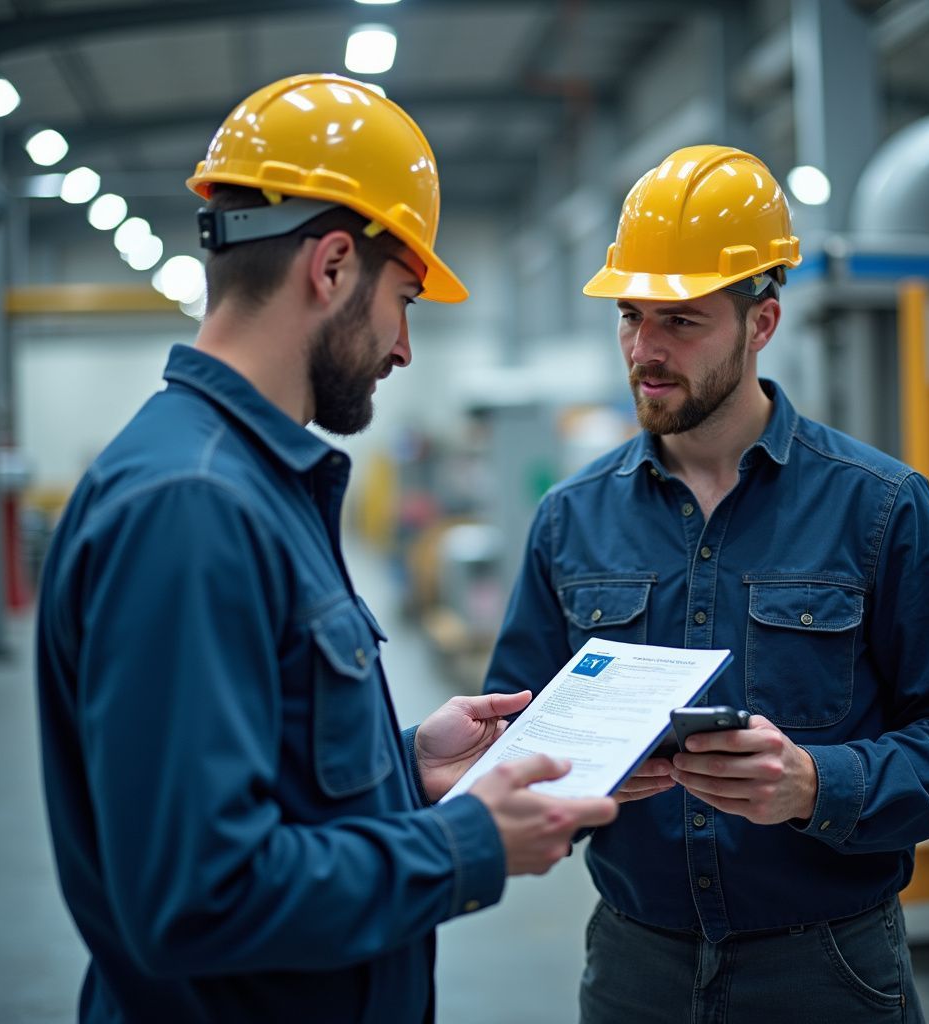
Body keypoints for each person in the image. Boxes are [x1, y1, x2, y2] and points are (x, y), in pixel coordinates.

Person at [35, 74, 617, 1024]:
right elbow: (197, 895)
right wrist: (470, 843)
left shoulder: (249, 483)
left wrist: (403, 768)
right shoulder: (194, 507)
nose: (404, 348)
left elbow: (244, 778)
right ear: (333, 266)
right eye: (407, 299)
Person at [482, 144, 929, 1023]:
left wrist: (818, 783)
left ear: (761, 323)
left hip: (828, 969)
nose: (644, 351)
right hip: (632, 967)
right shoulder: (570, 519)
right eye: (629, 316)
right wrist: (575, 784)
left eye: (681, 322)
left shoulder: (878, 507)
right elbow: (519, 732)